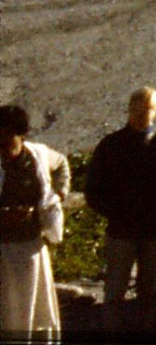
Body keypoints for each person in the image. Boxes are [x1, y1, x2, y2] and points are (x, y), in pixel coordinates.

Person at [87, 88, 156, 330]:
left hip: (154, 229)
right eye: (138, 109)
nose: (142, 114)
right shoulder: (111, 145)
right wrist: (114, 212)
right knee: (114, 292)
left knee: (149, 292)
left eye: (148, 110)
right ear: (129, 109)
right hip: (122, 231)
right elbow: (93, 189)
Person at [0, 104, 60, 341]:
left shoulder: (37, 156)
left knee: (35, 312)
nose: (4, 150)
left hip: (32, 249)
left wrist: (58, 197)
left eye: (8, 143)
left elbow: (62, 165)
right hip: (3, 253)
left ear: (21, 136)